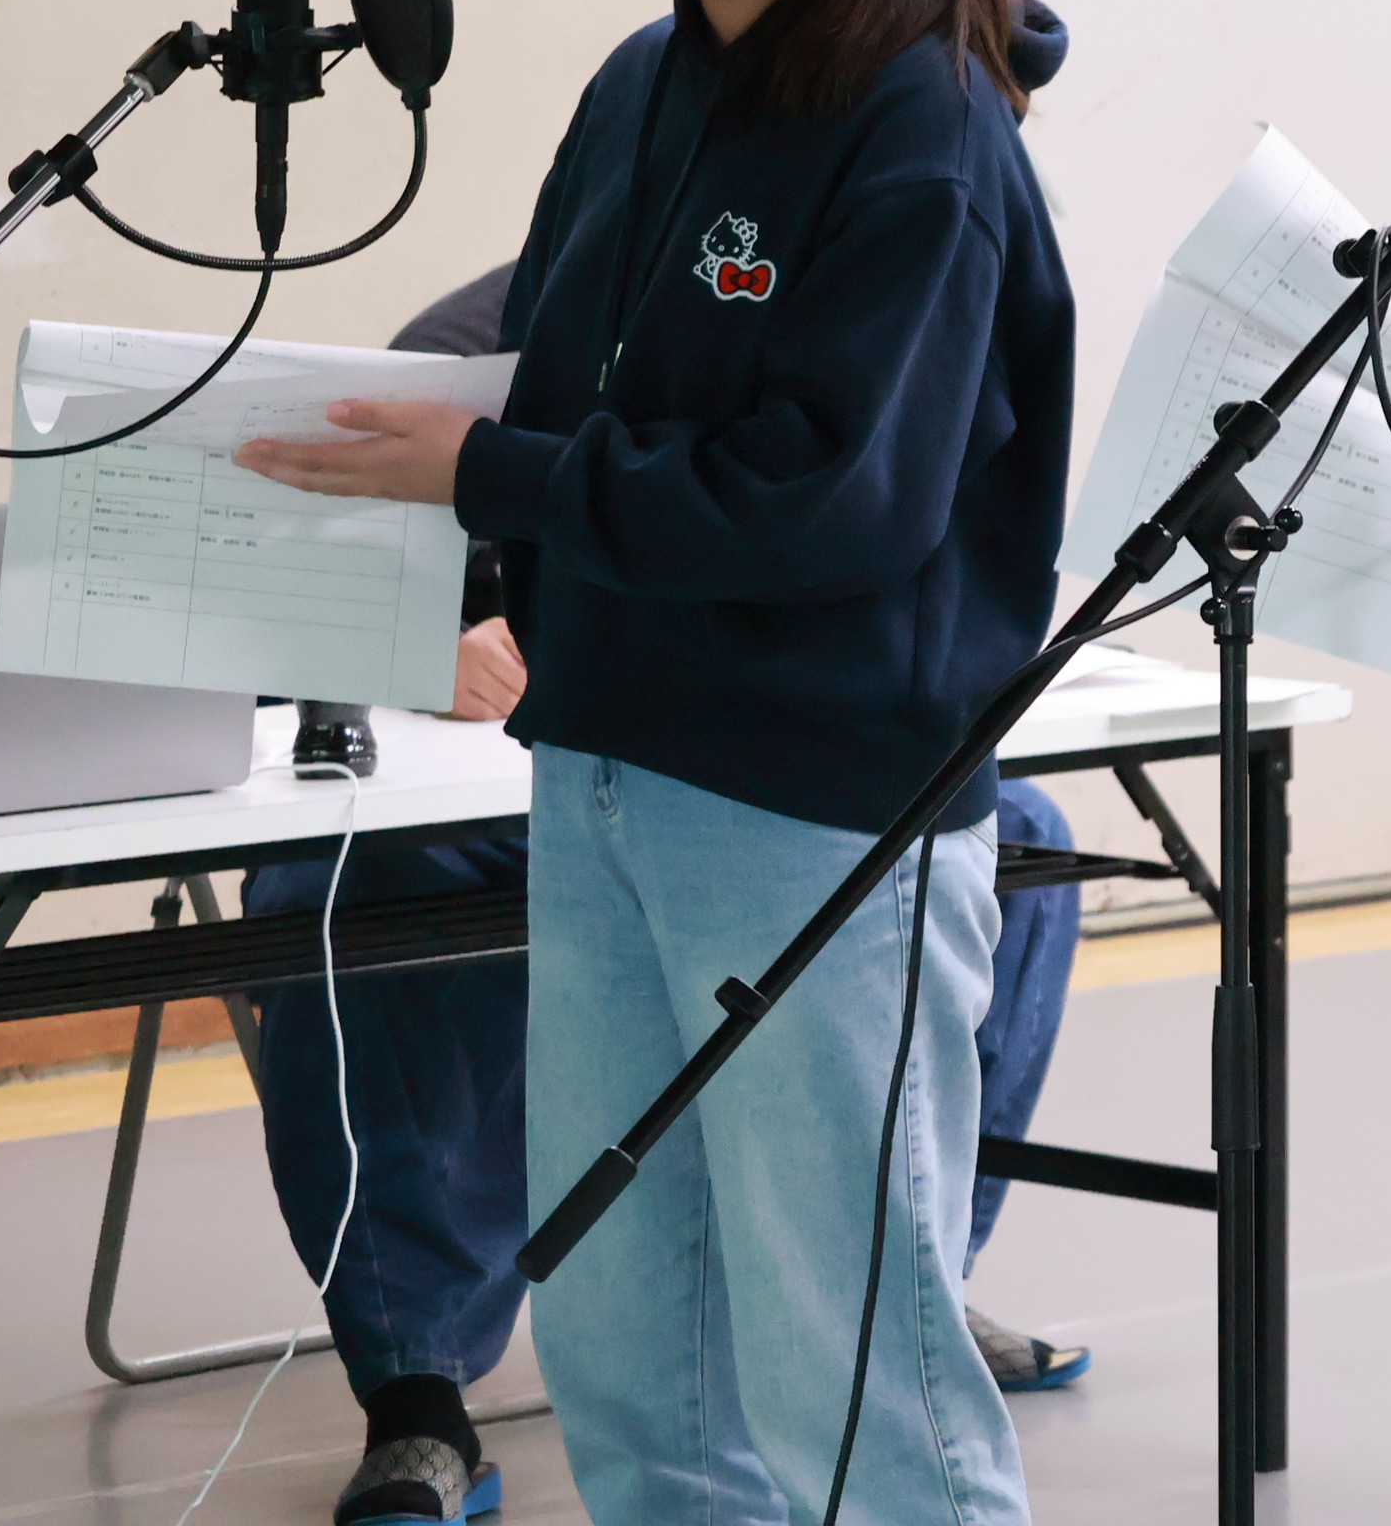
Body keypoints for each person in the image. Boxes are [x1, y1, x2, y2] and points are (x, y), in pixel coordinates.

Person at [241, 0, 1075, 1526]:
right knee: (629, 1353)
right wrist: (419, 507)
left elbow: (832, 499)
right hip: (606, 774)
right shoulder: (640, 84)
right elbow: (560, 375)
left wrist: (490, 471)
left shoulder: (923, 120)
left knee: (850, 1377)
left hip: (817, 815)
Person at [241, 262, 1089, 1526]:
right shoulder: (470, 343)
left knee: (1023, 839)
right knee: (341, 897)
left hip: (745, 754)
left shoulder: (877, 314)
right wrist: (414, 647)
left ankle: (907, 1287)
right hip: (518, 792)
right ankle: (414, 1389)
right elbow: (301, 594)